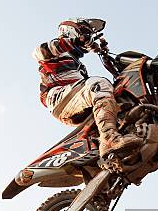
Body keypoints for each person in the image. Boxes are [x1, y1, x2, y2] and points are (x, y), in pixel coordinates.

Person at [32, 18, 141, 157]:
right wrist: (76, 41)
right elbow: (40, 52)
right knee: (98, 84)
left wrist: (105, 55)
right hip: (58, 98)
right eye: (84, 32)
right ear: (70, 30)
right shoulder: (54, 52)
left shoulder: (78, 65)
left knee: (117, 94)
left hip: (76, 100)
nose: (88, 38)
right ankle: (109, 139)